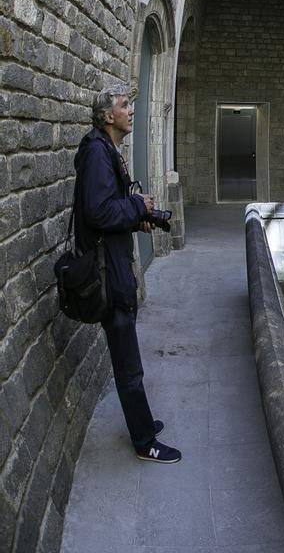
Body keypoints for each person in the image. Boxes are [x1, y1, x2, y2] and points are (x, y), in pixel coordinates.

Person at [76, 83, 179, 464]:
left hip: (115, 265)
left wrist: (138, 218)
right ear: (107, 116)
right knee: (128, 363)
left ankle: (145, 424)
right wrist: (136, 207)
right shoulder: (97, 154)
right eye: (124, 106)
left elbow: (108, 211)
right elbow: (99, 213)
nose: (130, 111)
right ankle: (143, 441)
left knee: (129, 357)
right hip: (108, 274)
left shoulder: (106, 150)